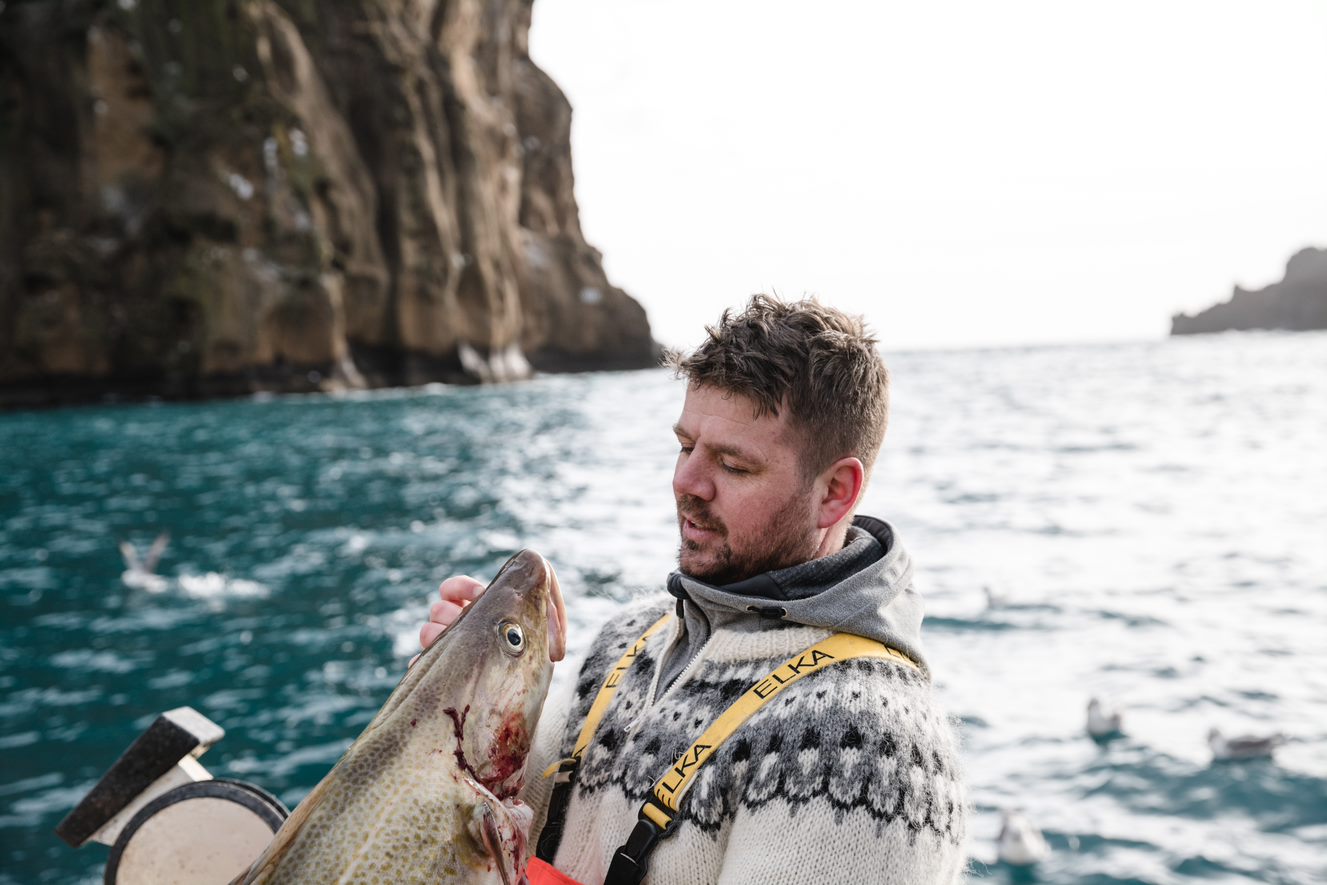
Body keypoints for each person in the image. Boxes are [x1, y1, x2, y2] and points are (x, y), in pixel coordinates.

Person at [419, 295, 968, 883]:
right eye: (685, 447)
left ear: (835, 492)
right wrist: (456, 694)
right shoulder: (629, 638)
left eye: (733, 465)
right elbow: (463, 829)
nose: (686, 482)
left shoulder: (872, 747)